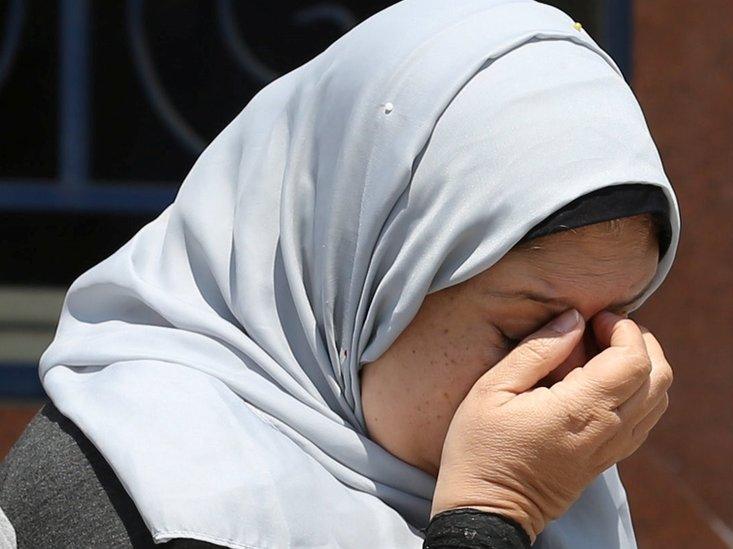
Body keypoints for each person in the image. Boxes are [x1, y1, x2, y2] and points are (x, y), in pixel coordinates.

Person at [0, 0, 680, 547]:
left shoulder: (569, 492)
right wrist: (492, 514)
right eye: (527, 329)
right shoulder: (130, 492)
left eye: (610, 325)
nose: (583, 379)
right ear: (364, 288)